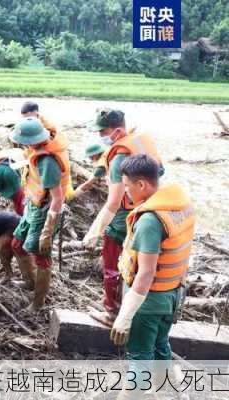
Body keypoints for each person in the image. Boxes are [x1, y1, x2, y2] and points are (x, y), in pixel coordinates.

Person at [110, 154, 194, 393]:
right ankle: (164, 389)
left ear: (141, 185)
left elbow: (146, 273)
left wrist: (125, 316)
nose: (125, 192)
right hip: (172, 295)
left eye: (126, 186)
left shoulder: (149, 221)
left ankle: (132, 395)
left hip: (148, 301)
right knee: (160, 345)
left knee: (139, 356)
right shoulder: (180, 204)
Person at [83, 109, 163, 325]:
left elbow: (114, 201)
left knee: (112, 261)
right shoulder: (140, 141)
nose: (100, 136)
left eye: (103, 131)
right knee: (138, 264)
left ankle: (111, 312)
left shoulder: (119, 157)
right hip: (148, 205)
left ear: (117, 131)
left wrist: (95, 231)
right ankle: (132, 308)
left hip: (124, 215)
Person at [10, 118, 70, 312]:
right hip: (33, 206)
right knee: (17, 245)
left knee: (41, 254)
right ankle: (30, 282)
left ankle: (38, 302)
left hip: (46, 210)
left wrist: (47, 230)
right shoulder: (33, 151)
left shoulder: (47, 161)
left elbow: (58, 198)